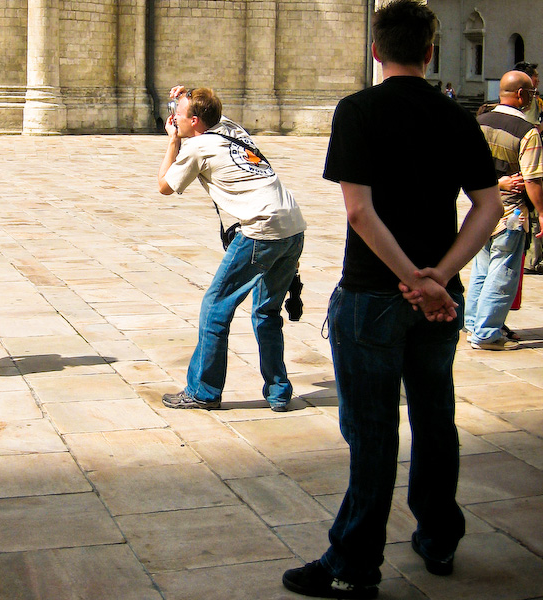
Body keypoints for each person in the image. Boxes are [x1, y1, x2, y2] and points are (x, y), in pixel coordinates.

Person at [281, 1, 502, 598]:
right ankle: (438, 538)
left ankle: (353, 563)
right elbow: (489, 205)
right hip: (438, 302)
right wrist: (438, 279)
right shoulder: (456, 115)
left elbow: (359, 212)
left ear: (376, 49)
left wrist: (409, 277)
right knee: (435, 418)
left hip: (374, 295)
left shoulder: (359, 110)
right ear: (430, 51)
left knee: (373, 429)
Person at [157, 86, 306, 412]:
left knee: (215, 307)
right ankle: (279, 391)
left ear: (194, 121)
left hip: (260, 230)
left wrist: (172, 140)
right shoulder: (230, 128)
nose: (173, 119)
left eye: (178, 116)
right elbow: (209, 110)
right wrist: (186, 96)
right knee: (266, 312)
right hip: (293, 225)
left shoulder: (197, 148)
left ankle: (203, 391)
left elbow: (164, 185)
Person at [465, 70, 543, 351]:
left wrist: (495, 182)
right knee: (503, 273)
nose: (533, 98)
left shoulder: (478, 123)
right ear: (521, 95)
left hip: (480, 209)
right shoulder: (527, 132)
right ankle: (487, 333)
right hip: (511, 213)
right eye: (532, 93)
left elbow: (465, 168)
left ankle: (473, 323)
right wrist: (542, 212)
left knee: (482, 268)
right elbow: (533, 179)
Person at [514, 61, 543, 274]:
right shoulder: (528, 102)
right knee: (533, 214)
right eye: (535, 78)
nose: (538, 82)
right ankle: (532, 260)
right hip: (528, 163)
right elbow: (532, 128)